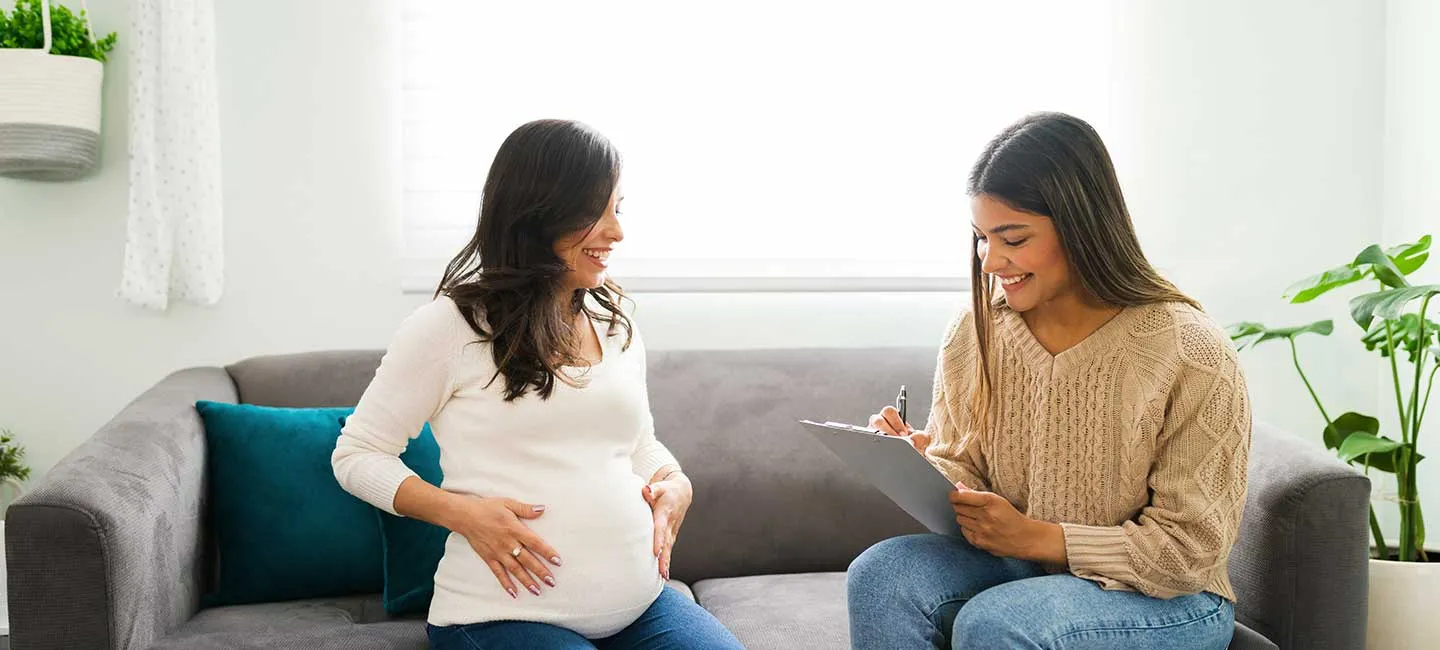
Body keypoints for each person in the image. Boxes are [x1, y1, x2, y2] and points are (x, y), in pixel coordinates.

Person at [332, 119, 743, 650]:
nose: (616, 232)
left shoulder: (615, 324)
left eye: (619, 208)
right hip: (499, 617)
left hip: (641, 606)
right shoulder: (451, 328)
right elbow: (358, 455)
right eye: (598, 212)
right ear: (540, 212)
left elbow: (636, 444)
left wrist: (674, 480)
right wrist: (459, 512)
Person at [847, 112, 1251, 650]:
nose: (991, 261)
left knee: (997, 621)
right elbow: (968, 475)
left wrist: (1039, 538)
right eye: (981, 238)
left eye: (1012, 238)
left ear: (1081, 227)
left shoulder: (1189, 350)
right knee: (881, 576)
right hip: (1021, 570)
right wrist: (919, 462)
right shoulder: (976, 329)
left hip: (1167, 599)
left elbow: (1190, 550)